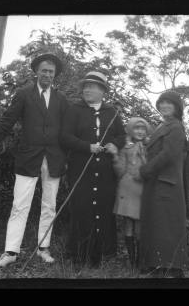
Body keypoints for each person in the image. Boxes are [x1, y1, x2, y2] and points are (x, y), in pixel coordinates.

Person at [0, 53, 69, 267]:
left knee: (49, 205)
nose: (47, 74)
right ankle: (10, 252)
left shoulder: (61, 99)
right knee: (20, 205)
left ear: (55, 75)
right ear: (36, 71)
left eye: (51, 71)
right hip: (29, 158)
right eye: (44, 70)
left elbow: (67, 131)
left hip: (54, 159)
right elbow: (8, 120)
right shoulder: (24, 94)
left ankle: (43, 248)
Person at [60, 71, 126, 268]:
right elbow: (64, 137)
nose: (87, 90)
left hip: (106, 172)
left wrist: (114, 144)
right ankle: (78, 255)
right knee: (81, 209)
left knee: (103, 209)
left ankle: (100, 255)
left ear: (102, 91)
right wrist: (87, 147)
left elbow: (122, 136)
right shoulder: (74, 110)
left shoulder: (112, 112)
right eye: (85, 86)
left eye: (92, 87)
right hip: (80, 169)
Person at [138, 90, 189, 278]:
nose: (164, 106)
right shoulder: (163, 126)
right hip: (158, 183)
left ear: (177, 108)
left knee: (166, 227)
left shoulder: (176, 127)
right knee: (158, 225)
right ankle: (156, 265)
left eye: (169, 103)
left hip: (167, 184)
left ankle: (170, 267)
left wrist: (145, 170)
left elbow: (168, 154)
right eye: (162, 103)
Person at [109, 117, 151, 270]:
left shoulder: (149, 146)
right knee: (128, 224)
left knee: (140, 224)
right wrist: (115, 156)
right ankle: (132, 261)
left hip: (143, 188)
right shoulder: (125, 147)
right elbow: (119, 171)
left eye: (143, 129)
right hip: (127, 187)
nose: (140, 131)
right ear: (130, 130)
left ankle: (140, 261)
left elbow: (152, 167)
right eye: (136, 128)